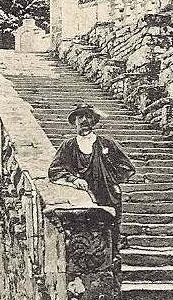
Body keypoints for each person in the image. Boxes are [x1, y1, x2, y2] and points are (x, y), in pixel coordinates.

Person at [48, 103, 136, 248]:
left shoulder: (106, 143)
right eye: (80, 117)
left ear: (94, 121)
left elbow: (127, 167)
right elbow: (54, 169)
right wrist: (74, 179)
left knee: (111, 233)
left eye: (88, 117)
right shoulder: (68, 146)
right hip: (82, 195)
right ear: (75, 122)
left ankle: (114, 260)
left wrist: (110, 179)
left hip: (107, 195)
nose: (84, 121)